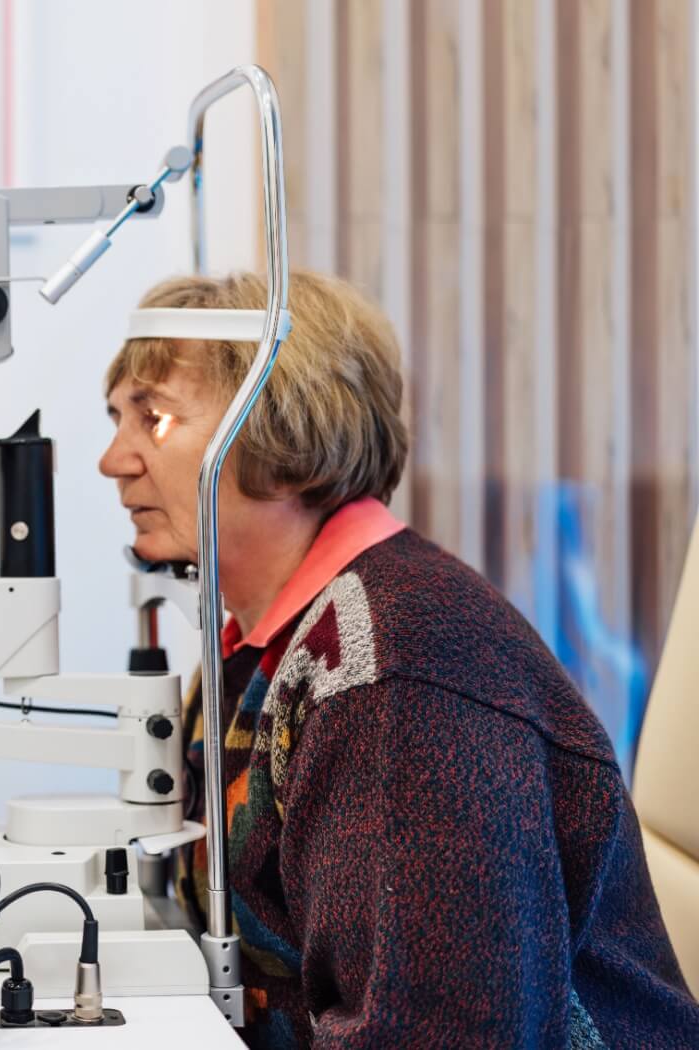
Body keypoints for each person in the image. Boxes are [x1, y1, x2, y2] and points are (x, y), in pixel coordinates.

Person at [99, 269, 699, 1047]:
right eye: (116, 420)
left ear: (286, 439)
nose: (114, 460)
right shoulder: (266, 649)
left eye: (155, 421)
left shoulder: (394, 682)